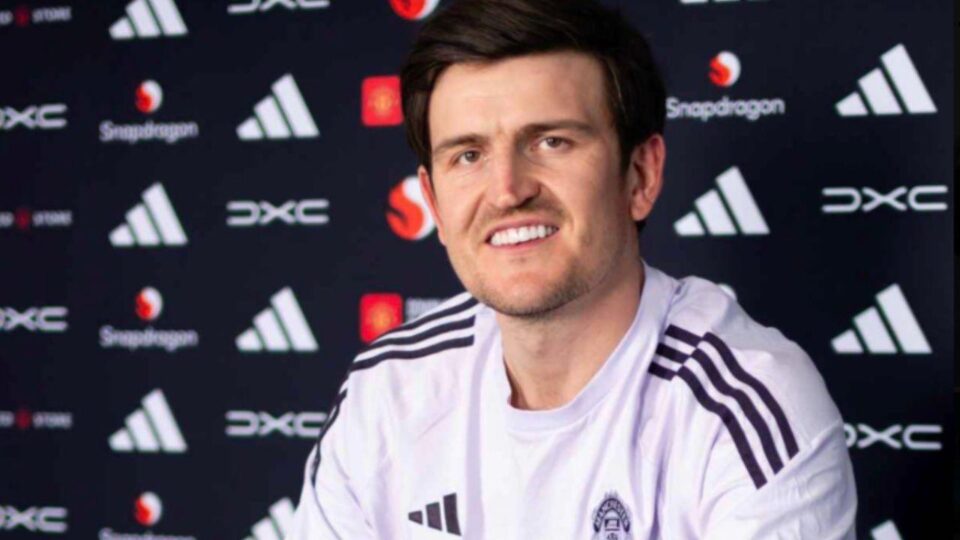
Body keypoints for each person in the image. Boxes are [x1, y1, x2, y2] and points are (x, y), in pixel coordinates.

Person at [288, 0, 857, 537]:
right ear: (434, 204)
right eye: (469, 155)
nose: (507, 190)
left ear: (641, 175)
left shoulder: (746, 407)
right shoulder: (386, 392)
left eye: (551, 142)